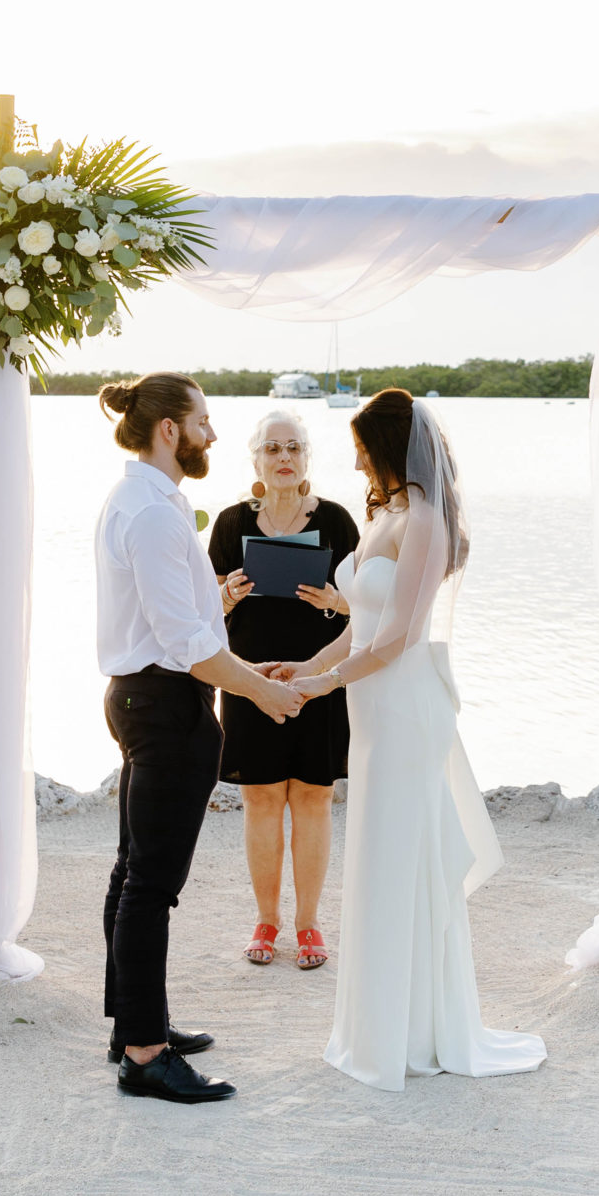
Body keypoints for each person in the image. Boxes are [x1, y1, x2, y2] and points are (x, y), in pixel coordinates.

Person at [273, 389, 546, 1093]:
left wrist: (325, 685)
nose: (357, 460)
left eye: (364, 449)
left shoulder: (424, 520)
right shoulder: (388, 515)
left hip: (402, 706)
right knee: (377, 853)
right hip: (373, 709)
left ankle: (412, 1031)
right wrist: (302, 668)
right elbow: (362, 624)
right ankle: (377, 1023)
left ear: (391, 448)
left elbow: (399, 638)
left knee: (402, 858)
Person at [93, 372, 305, 1105]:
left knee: (133, 873)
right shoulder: (152, 513)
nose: (213, 434)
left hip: (148, 695)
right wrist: (265, 690)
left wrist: (215, 605)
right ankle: (146, 1054)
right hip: (165, 705)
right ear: (168, 430)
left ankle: (134, 1026)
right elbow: (185, 645)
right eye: (204, 421)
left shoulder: (149, 501)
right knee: (151, 885)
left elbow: (168, 618)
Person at [206, 408, 360, 971]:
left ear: (307, 459)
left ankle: (309, 923)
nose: (284, 458)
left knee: (315, 798)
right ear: (256, 460)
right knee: (263, 798)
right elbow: (203, 619)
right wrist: (226, 595)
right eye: (272, 449)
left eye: (293, 447)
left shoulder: (340, 522)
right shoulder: (228, 524)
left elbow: (368, 609)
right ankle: (267, 919)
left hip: (319, 681)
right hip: (248, 680)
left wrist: (334, 600)